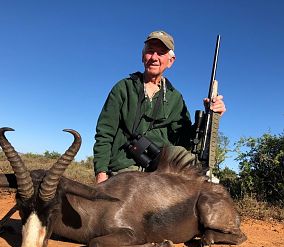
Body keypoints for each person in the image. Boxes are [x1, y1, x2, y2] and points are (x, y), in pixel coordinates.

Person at [93, 30, 226, 184]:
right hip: (125, 167)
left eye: (161, 53)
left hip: (161, 168)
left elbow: (184, 140)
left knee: (189, 167)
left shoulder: (175, 98)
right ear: (143, 56)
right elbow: (104, 133)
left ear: (170, 61)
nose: (154, 58)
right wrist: (101, 175)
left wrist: (210, 117)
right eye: (150, 51)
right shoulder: (123, 88)